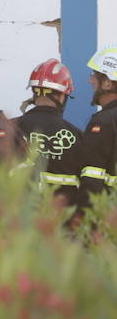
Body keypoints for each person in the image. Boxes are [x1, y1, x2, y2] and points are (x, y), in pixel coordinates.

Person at [13, 59, 86, 210]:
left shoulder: (9, 128)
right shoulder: (78, 136)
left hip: (19, 225)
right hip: (63, 226)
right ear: (62, 96)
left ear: (34, 93)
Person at [77, 45, 117, 202]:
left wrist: (84, 219)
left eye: (94, 75)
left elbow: (92, 179)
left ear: (107, 83)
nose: (90, 80)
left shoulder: (104, 121)